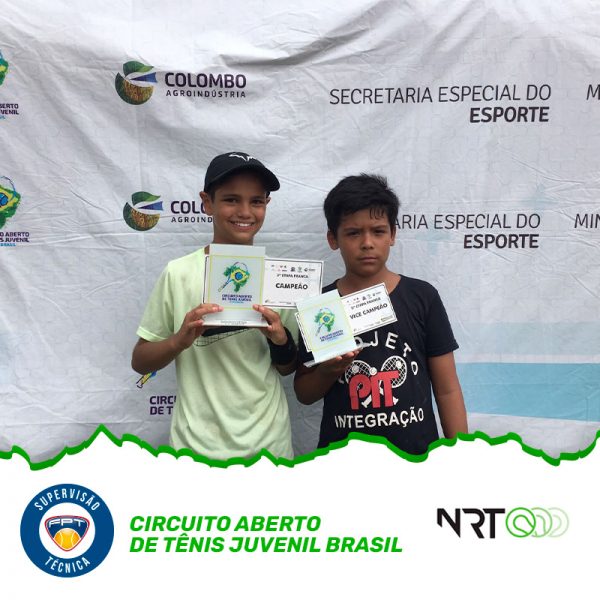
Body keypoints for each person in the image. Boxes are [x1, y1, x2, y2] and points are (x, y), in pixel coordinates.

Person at [131, 151, 297, 460]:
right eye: (231, 199)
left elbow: (288, 368)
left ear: (266, 204)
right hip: (195, 448)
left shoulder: (277, 277)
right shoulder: (178, 273)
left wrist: (280, 340)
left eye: (256, 201)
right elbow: (140, 362)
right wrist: (178, 341)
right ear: (207, 203)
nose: (245, 211)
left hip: (269, 446)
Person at [294, 174, 467, 454]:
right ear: (333, 238)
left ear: (393, 235)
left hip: (416, 459)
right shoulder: (321, 308)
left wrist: (462, 454)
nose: (367, 243)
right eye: (353, 233)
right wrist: (327, 371)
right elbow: (304, 393)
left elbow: (447, 389)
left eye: (378, 231)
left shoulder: (422, 297)